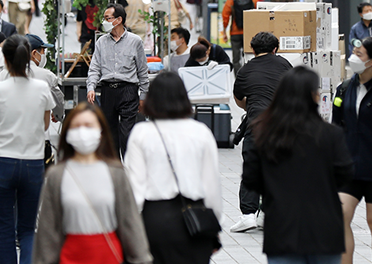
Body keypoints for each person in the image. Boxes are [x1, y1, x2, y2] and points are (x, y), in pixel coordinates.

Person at [248, 67, 353, 264]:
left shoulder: (263, 133)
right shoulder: (331, 134)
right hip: (324, 228)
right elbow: (345, 174)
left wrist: (272, 191)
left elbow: (251, 179)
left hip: (281, 227)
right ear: (313, 95)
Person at [33, 102, 153, 264]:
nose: (82, 132)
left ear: (101, 131)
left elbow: (130, 224)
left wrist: (141, 258)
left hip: (108, 256)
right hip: (70, 257)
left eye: (89, 126)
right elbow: (48, 232)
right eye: (76, 126)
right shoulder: (57, 175)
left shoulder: (116, 173)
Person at [124, 72, 222, 263]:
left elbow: (135, 189)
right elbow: (212, 186)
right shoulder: (201, 132)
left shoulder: (141, 133)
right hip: (194, 217)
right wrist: (213, 225)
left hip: (155, 219)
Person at [0, 35, 54, 264]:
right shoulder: (42, 87)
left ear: (5, 59)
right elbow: (45, 124)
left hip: (3, 161)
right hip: (33, 163)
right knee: (27, 228)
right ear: (29, 57)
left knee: (4, 228)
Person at [230, 31, 293, 233]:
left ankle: (248, 215)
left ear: (252, 49)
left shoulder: (245, 70)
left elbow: (239, 99)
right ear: (275, 49)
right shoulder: (284, 65)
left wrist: (253, 104)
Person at [86, 4, 149, 158]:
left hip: (128, 90)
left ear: (119, 20)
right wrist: (91, 87)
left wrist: (143, 96)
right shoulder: (101, 42)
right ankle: (115, 170)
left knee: (127, 134)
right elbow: (94, 68)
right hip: (107, 90)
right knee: (110, 133)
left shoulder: (135, 41)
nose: (104, 21)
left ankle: (130, 168)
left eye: (108, 18)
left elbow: (142, 70)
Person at [333, 36, 372, 264]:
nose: (353, 58)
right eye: (354, 53)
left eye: (360, 55)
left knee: (370, 221)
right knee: (339, 217)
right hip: (350, 167)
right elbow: (336, 125)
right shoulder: (345, 88)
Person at [0, 34, 66, 121]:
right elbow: (58, 100)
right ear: (34, 53)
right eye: (42, 52)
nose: (43, 55)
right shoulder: (47, 76)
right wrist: (58, 115)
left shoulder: (2, 75)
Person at [221, 0, 259, 75]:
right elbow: (259, 12)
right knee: (250, 55)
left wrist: (224, 32)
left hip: (235, 32)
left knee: (236, 59)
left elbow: (225, 17)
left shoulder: (231, 0)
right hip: (249, 32)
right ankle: (250, 75)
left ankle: (239, 77)